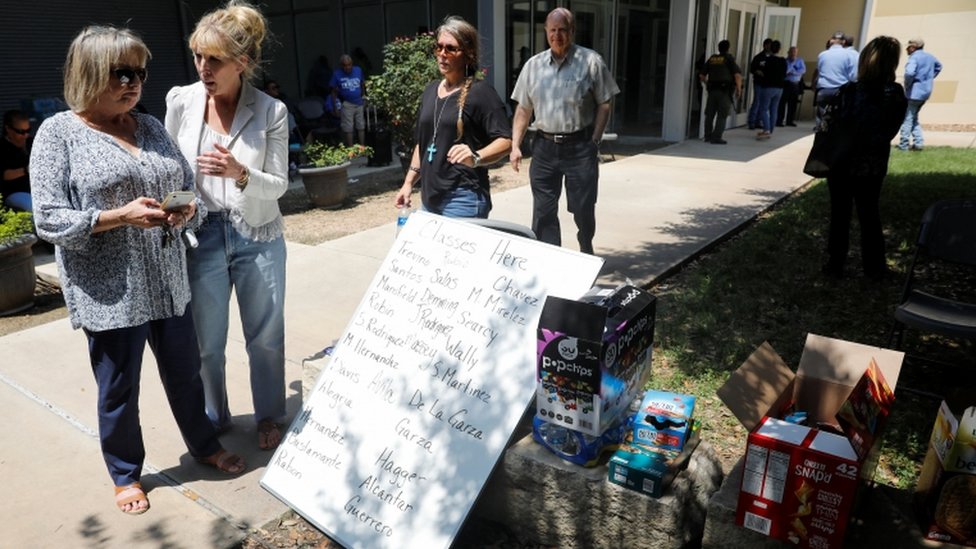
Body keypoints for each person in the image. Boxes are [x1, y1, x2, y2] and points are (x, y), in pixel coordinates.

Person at [30, 24, 246, 516]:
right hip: (109, 290)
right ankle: (125, 475)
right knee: (119, 388)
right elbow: (48, 220)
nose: (133, 83)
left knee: (186, 375)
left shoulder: (148, 126)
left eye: (139, 73)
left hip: (168, 281)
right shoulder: (58, 134)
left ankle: (204, 446)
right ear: (88, 74)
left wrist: (187, 209)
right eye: (120, 72)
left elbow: (185, 184)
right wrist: (117, 216)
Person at [165, 0, 289, 451]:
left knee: (266, 337)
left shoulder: (271, 111)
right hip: (201, 237)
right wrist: (177, 206)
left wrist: (240, 173)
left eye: (214, 59)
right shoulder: (181, 100)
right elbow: (171, 171)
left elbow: (277, 186)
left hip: (257, 234)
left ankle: (271, 415)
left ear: (244, 62)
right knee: (206, 344)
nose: (203, 67)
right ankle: (213, 420)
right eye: (198, 56)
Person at [509, 7, 619, 254]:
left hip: (580, 147)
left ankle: (585, 244)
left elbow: (605, 103)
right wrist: (515, 145)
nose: (557, 35)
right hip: (544, 147)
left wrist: (595, 139)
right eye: (552, 30)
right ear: (546, 32)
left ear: (572, 31)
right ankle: (551, 258)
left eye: (562, 30)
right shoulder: (533, 66)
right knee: (543, 210)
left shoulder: (591, 61)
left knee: (583, 207)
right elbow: (524, 110)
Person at [394, 16, 512, 219]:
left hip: (463, 198)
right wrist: (408, 183)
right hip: (430, 198)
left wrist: (476, 157)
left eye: (450, 48)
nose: (442, 54)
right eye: (438, 47)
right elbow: (423, 144)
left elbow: (506, 141)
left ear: (468, 54)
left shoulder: (481, 93)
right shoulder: (431, 91)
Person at [822, 36, 907, 280]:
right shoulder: (894, 94)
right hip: (872, 164)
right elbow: (890, 129)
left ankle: (835, 264)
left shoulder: (848, 91)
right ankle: (874, 268)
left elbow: (829, 125)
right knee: (869, 214)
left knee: (840, 214)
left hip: (841, 162)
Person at [899, 38, 942, 151]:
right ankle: (918, 143)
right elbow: (939, 66)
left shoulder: (914, 57)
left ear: (913, 47)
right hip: (925, 92)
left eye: (908, 47)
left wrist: (907, 84)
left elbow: (909, 72)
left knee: (907, 118)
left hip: (914, 92)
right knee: (913, 118)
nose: (906, 49)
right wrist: (928, 78)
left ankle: (903, 145)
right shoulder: (930, 57)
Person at [698, 39, 742, 145]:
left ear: (718, 48)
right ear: (728, 48)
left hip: (712, 91)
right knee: (722, 115)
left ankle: (707, 136)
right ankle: (716, 137)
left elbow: (702, 76)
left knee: (709, 114)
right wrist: (739, 89)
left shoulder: (712, 59)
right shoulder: (728, 59)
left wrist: (708, 84)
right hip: (724, 92)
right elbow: (737, 75)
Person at [816, 32, 858, 123]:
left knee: (821, 119)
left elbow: (819, 70)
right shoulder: (849, 54)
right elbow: (853, 76)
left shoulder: (822, 54)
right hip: (841, 90)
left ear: (831, 41)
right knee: (838, 119)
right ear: (843, 42)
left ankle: (821, 134)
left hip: (823, 90)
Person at [330, 54, 366, 146]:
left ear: (352, 64)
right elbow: (333, 92)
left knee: (361, 126)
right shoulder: (337, 74)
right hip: (347, 103)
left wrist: (364, 96)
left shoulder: (358, 70)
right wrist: (335, 107)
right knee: (348, 128)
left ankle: (362, 147)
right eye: (345, 65)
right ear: (341, 65)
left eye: (349, 65)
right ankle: (351, 149)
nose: (347, 67)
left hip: (359, 102)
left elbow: (362, 84)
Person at [1, 110, 32, 211]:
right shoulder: (3, 147)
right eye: (21, 132)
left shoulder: (31, 142)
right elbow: (4, 175)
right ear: (8, 129)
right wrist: (26, 170)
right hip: (14, 192)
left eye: (28, 130)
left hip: (37, 190)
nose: (25, 135)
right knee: (32, 207)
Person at [755, 40, 786, 140]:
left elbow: (764, 72)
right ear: (779, 49)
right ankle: (770, 129)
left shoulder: (768, 60)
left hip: (768, 87)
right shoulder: (783, 61)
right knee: (774, 109)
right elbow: (785, 73)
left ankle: (766, 129)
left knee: (763, 109)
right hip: (779, 88)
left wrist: (760, 73)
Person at [747, 38, 773, 130]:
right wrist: (757, 72)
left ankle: (759, 121)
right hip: (759, 83)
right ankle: (752, 121)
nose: (770, 47)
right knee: (757, 101)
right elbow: (752, 69)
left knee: (764, 103)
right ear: (765, 45)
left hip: (768, 84)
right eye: (769, 45)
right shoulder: (758, 57)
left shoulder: (772, 58)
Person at [777, 46, 806, 126]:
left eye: (795, 52)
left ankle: (790, 121)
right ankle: (779, 120)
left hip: (795, 84)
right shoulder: (785, 61)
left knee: (793, 103)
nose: (793, 53)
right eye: (792, 52)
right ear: (788, 52)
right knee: (782, 103)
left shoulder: (800, 60)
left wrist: (793, 72)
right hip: (786, 83)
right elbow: (786, 71)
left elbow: (802, 70)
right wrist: (793, 64)